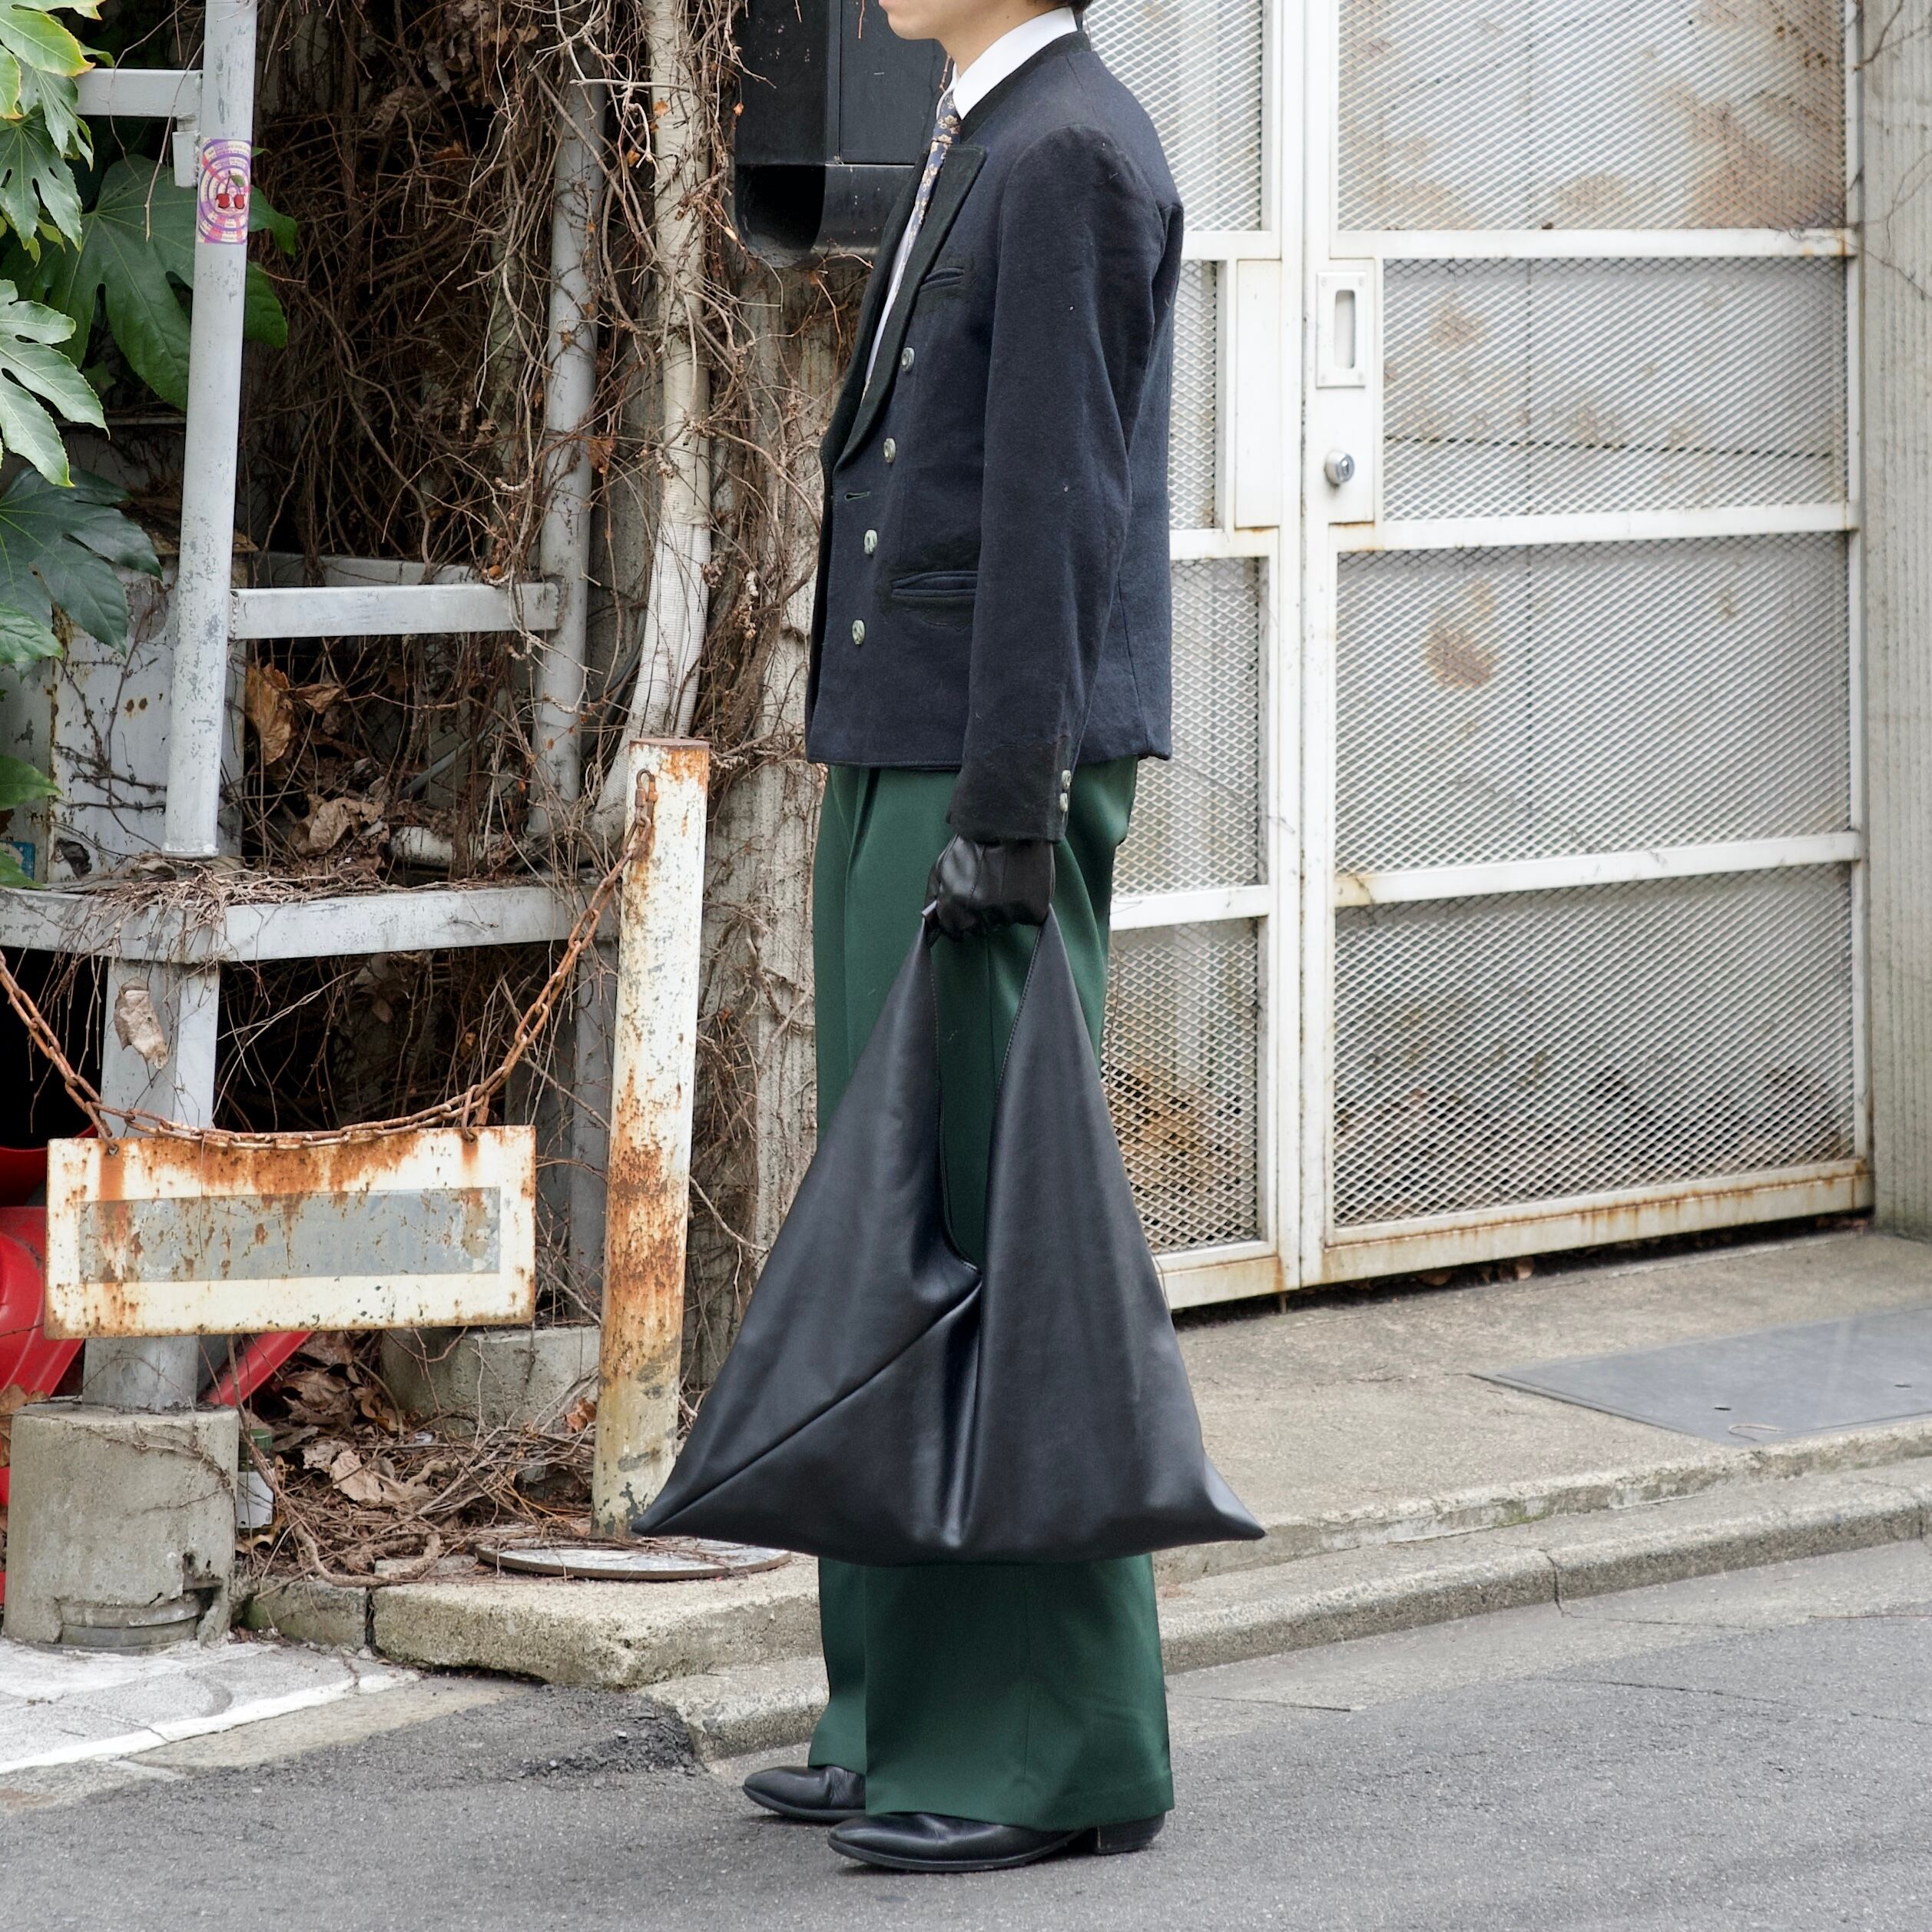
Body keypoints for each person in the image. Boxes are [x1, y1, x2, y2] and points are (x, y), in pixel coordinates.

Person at [742, 0, 1184, 1876]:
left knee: (1002, 1229)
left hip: (981, 763)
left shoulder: (1070, 144)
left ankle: (1055, 1747)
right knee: (890, 1218)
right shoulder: (982, 126)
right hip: (904, 743)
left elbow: (1060, 505)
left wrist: (1006, 807)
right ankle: (891, 1708)